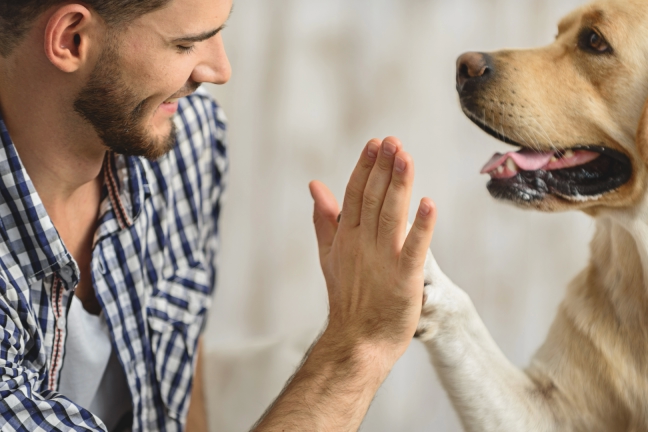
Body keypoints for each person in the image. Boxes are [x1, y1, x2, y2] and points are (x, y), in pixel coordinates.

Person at [0, 0, 437, 431]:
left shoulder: (186, 135)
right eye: (185, 44)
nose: (219, 70)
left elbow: (178, 376)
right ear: (72, 39)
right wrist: (361, 343)